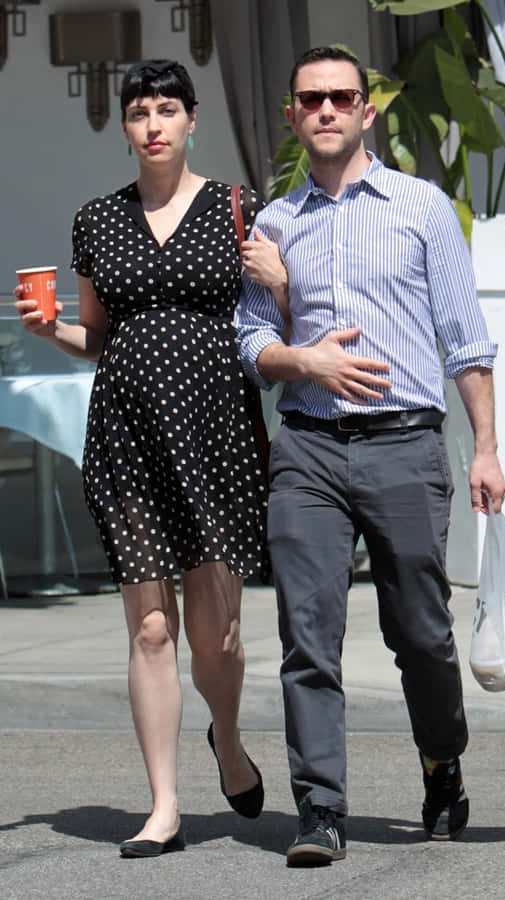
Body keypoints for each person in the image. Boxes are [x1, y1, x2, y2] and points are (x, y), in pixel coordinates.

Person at [235, 46, 505, 866]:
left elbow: (465, 339)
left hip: (404, 444)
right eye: (309, 98)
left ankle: (440, 763)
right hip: (309, 448)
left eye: (339, 96)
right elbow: (250, 341)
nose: (324, 109)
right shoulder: (272, 226)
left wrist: (486, 448)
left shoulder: (421, 208)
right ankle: (319, 808)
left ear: (365, 111)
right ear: (291, 114)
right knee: (305, 633)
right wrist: (300, 351)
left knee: (420, 633)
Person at [14, 59, 287, 858]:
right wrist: (49, 331)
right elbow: (97, 337)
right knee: (150, 630)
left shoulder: (237, 207)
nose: (154, 124)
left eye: (168, 109)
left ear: (191, 119)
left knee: (216, 637)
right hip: (127, 434)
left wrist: (283, 278)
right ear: (127, 127)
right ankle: (163, 804)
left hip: (216, 436)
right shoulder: (96, 220)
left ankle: (227, 742)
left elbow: (277, 313)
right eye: (140, 112)